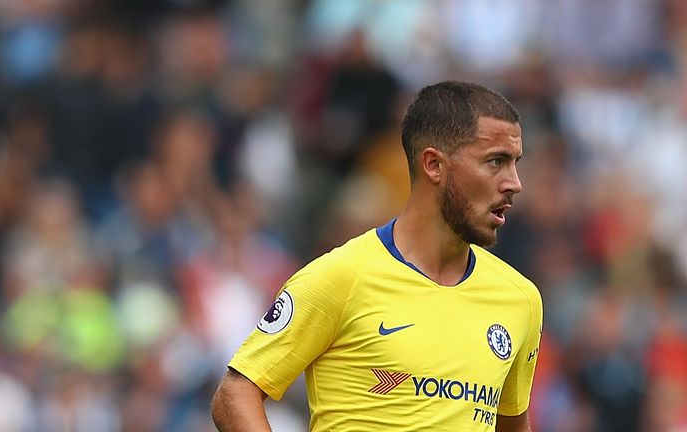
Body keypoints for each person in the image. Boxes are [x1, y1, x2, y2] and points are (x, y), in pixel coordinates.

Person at [211, 81, 543, 431]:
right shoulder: (341, 277)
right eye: (495, 162)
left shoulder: (520, 299)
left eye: (515, 162)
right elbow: (235, 394)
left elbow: (512, 426)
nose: (514, 182)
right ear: (433, 165)